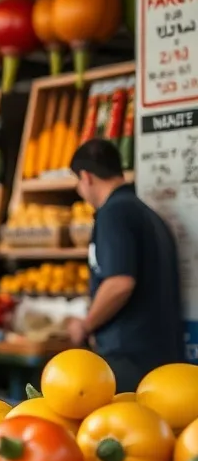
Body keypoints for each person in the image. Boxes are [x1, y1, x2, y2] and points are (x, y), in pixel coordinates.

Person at [66, 139, 185, 391]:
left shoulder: (114, 214)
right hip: (160, 357)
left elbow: (119, 283)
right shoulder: (145, 213)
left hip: (129, 359)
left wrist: (86, 325)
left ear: (86, 177)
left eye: (77, 181)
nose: (79, 190)